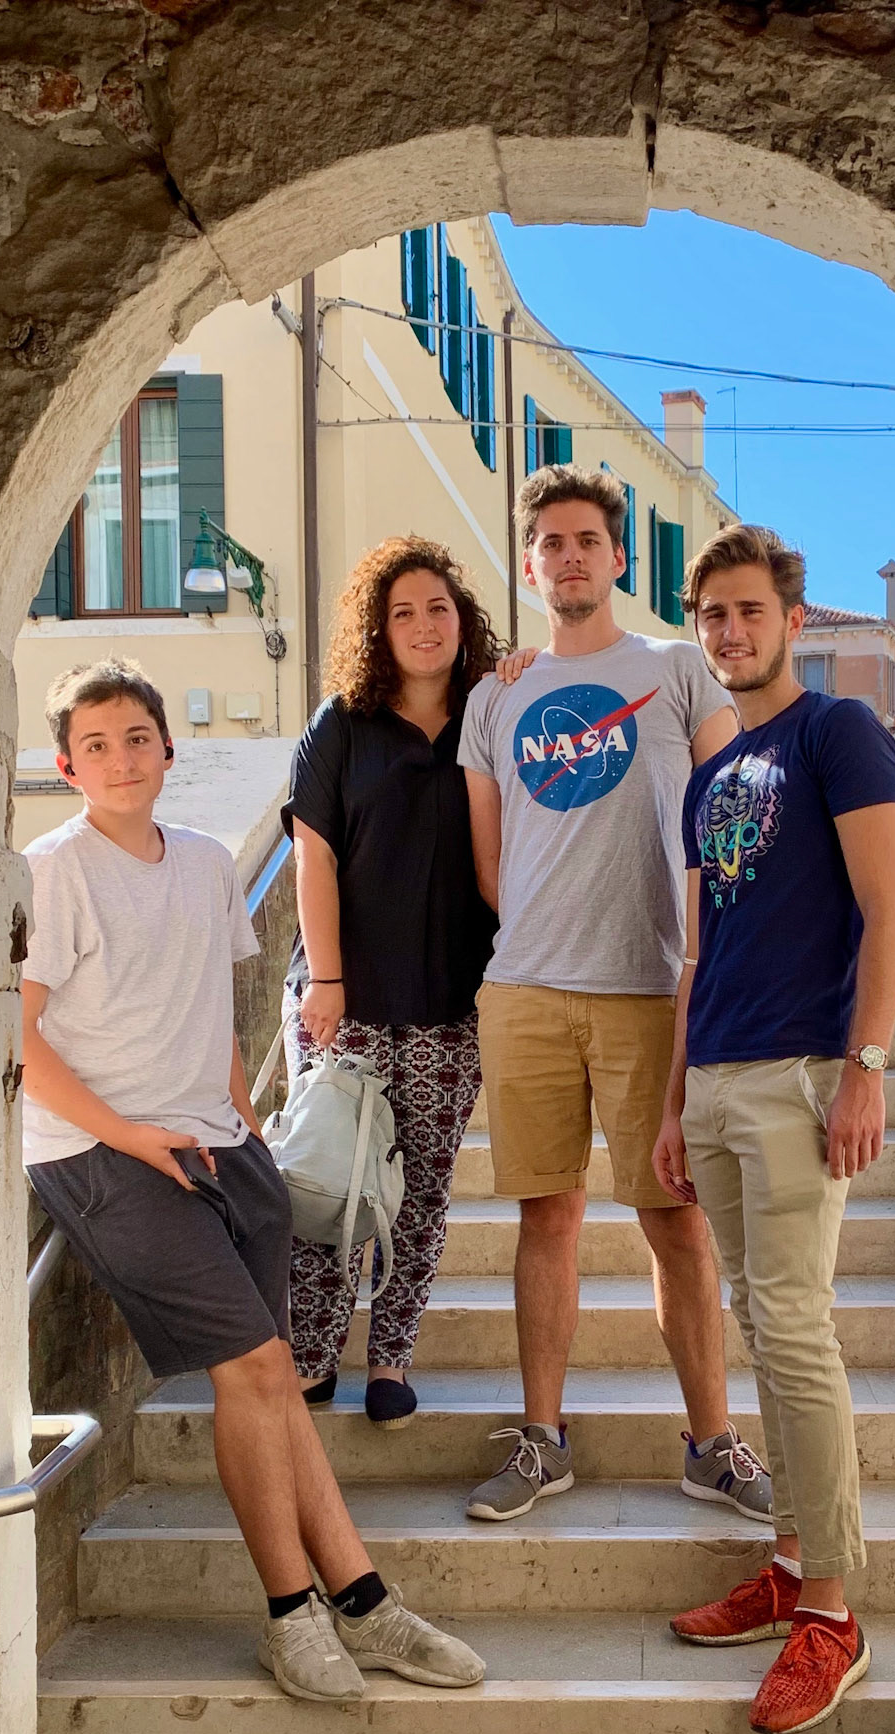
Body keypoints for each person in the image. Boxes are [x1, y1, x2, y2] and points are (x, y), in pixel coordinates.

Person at [21, 656, 485, 1703]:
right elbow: (20, 1041)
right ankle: (292, 1614)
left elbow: (214, 1013)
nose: (120, 758)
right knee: (262, 1371)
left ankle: (362, 1603)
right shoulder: (52, 870)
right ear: (66, 767)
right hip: (101, 1153)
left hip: (224, 1147)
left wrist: (244, 1126)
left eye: (136, 738)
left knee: (273, 1378)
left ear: (166, 749)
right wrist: (133, 1137)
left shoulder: (199, 862)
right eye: (94, 745)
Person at [457, 463, 772, 1525]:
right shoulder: (496, 693)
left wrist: (714, 957)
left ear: (619, 557)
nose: (569, 556)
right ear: (529, 564)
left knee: (673, 1223)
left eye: (587, 539)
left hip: (652, 988)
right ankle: (541, 1440)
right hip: (526, 989)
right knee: (545, 1218)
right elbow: (489, 859)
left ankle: (711, 1444)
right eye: (550, 542)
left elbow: (734, 822)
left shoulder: (677, 669)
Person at [652, 525, 895, 1734]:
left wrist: (865, 1068)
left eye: (749, 610)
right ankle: (790, 1556)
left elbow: (886, 904)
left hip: (803, 1073)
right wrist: (674, 1099)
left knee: (795, 1332)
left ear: (790, 620)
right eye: (711, 613)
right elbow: (698, 951)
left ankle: (831, 1614)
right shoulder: (712, 772)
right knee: (761, 1323)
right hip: (714, 1077)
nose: (729, 630)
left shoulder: (834, 731)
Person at [281, 539, 500, 1426]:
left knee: (422, 1192)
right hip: (347, 999)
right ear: (378, 629)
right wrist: (327, 978)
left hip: (451, 1000)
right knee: (328, 1180)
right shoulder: (341, 724)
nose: (422, 625)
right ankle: (311, 1357)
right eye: (401, 612)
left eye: (437, 608)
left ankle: (391, 1360)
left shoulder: (491, 716)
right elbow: (313, 857)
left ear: (463, 620)